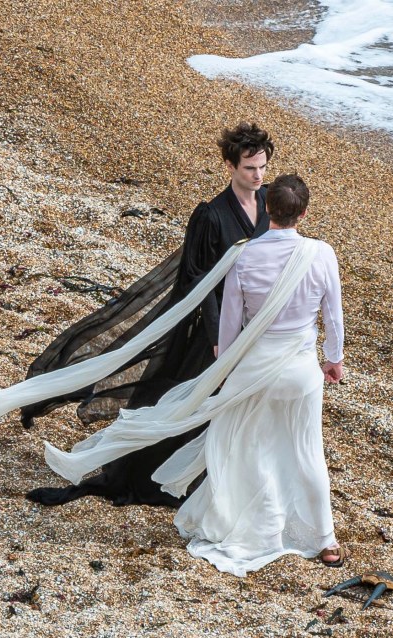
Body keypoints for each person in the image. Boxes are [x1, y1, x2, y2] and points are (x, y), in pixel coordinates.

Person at [0, 173, 346, 576]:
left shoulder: (244, 256)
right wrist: (333, 359)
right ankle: (325, 542)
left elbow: (230, 323)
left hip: (251, 369)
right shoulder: (322, 254)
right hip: (300, 371)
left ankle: (249, 528)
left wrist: (224, 367)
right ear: (304, 212)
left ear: (268, 209)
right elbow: (333, 315)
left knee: (247, 448)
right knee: (306, 452)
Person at [21, 123, 274, 508]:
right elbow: (196, 281)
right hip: (217, 328)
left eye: (262, 167)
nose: (258, 176)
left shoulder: (271, 203)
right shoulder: (211, 216)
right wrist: (217, 337)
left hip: (256, 325)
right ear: (229, 166)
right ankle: (159, 477)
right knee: (189, 402)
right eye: (249, 169)